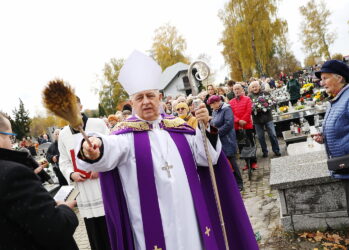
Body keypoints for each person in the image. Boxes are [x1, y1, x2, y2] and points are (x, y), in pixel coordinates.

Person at [76, 50, 258, 250]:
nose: (146, 101)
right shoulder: (124, 136)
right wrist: (93, 148)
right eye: (139, 97)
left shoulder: (179, 127)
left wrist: (206, 126)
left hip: (189, 217)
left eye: (150, 95)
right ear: (132, 102)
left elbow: (208, 157)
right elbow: (106, 150)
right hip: (147, 224)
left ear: (160, 97)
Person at [0, 112, 79, 250]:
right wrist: (65, 209)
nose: (12, 144)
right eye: (11, 138)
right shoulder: (13, 174)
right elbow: (55, 229)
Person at [58, 96, 111, 250]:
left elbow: (111, 148)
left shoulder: (97, 124)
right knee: (94, 232)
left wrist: (100, 168)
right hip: (84, 190)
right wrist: (71, 173)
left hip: (102, 185)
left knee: (109, 228)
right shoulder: (63, 134)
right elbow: (64, 160)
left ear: (80, 107)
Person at [313, 60, 349, 221]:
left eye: (326, 78)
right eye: (321, 79)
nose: (322, 83)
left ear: (340, 78)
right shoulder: (336, 98)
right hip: (344, 167)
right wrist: (324, 136)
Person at [208, 95, 243, 191]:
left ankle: (239, 183)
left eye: (212, 104)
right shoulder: (215, 110)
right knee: (225, 162)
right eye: (211, 105)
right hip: (219, 140)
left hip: (228, 139)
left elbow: (229, 124)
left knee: (232, 161)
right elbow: (213, 123)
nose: (212, 106)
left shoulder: (226, 109)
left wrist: (216, 133)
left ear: (217, 102)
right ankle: (231, 182)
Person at [249, 81, 281, 157]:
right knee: (260, 137)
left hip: (268, 118)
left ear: (259, 86)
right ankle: (265, 151)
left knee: (272, 135)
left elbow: (272, 103)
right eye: (253, 87)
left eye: (256, 86)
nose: (255, 88)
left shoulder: (265, 93)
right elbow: (249, 108)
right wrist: (254, 109)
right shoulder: (249, 97)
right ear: (250, 88)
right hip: (257, 119)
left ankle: (276, 150)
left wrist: (267, 107)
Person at [229, 84, 258, 170]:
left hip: (247, 125)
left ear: (242, 90)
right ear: (233, 91)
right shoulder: (231, 102)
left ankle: (253, 162)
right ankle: (246, 163)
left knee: (250, 143)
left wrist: (243, 121)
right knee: (241, 145)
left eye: (238, 89)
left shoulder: (247, 99)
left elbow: (248, 111)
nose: (237, 91)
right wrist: (238, 121)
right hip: (237, 127)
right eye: (235, 89)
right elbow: (231, 114)